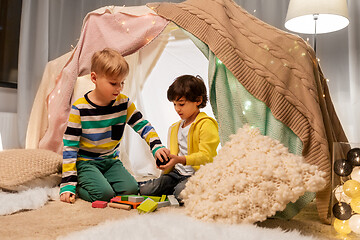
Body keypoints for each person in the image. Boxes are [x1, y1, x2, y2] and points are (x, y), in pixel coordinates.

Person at [60, 48, 168, 203]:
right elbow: (70, 147)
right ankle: (79, 185)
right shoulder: (79, 109)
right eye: (113, 83)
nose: (119, 88)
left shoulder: (124, 103)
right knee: (104, 195)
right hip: (86, 162)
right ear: (94, 78)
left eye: (122, 83)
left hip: (111, 161)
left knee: (131, 190)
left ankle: (101, 180)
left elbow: (143, 126)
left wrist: (156, 146)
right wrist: (68, 184)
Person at [139, 74, 220, 201]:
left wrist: (180, 159)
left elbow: (206, 156)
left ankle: (186, 189)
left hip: (197, 174)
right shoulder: (174, 128)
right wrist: (166, 158)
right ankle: (171, 187)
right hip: (176, 174)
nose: (177, 109)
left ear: (198, 101)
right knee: (146, 190)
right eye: (175, 104)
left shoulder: (206, 124)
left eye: (181, 104)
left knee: (179, 193)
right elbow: (175, 154)